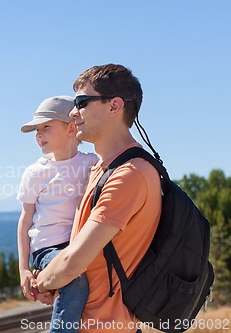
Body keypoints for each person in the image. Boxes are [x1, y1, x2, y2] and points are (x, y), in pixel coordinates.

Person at [35, 64, 162, 333]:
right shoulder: (102, 168)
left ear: (114, 106)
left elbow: (73, 262)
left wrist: (42, 282)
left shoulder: (130, 175)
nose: (72, 112)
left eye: (81, 102)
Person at [17, 96, 98, 333]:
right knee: (74, 278)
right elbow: (25, 222)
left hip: (79, 243)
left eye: (46, 127)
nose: (38, 135)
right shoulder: (35, 172)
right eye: (36, 130)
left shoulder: (93, 163)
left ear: (72, 127)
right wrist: (23, 268)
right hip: (48, 248)